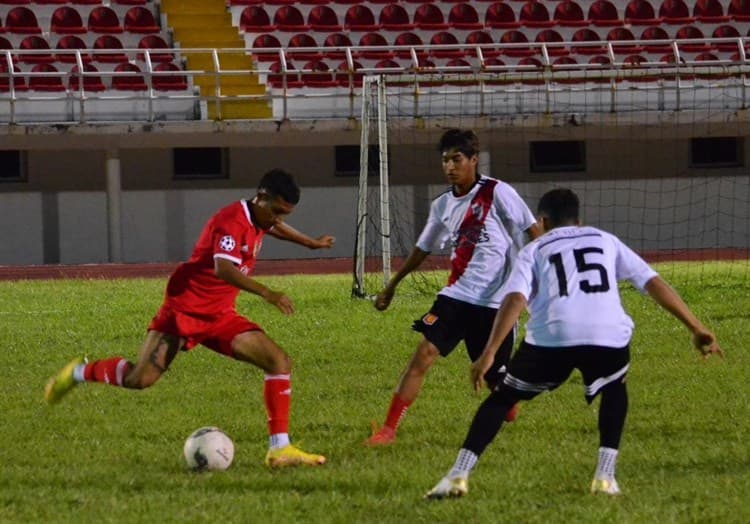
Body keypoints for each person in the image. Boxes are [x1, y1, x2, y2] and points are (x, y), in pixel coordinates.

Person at [425, 188, 724, 499]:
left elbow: (515, 298)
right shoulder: (604, 239)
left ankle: (458, 475)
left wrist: (489, 353)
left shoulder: (534, 249)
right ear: (579, 221)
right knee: (614, 387)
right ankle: (605, 477)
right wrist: (696, 327)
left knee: (501, 399)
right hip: (607, 335)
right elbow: (651, 281)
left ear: (541, 221)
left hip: (553, 337)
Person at [44, 168, 336, 468]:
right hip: (185, 309)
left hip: (220, 314)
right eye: (276, 211)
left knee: (278, 361)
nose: (278, 219)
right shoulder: (230, 222)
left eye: (284, 214)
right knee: (139, 379)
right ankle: (78, 372)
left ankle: (280, 449)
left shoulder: (260, 217)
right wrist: (267, 293)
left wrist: (310, 243)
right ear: (260, 198)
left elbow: (273, 228)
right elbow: (224, 268)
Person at [364, 129, 541, 446]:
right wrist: (392, 285)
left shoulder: (498, 192)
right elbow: (422, 249)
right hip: (455, 297)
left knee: (494, 380)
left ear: (473, 160)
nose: (449, 167)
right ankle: (388, 430)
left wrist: (545, 273)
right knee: (424, 353)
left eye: (456, 159)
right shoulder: (442, 205)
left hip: (495, 304)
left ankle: (506, 398)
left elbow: (532, 230)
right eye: (445, 160)